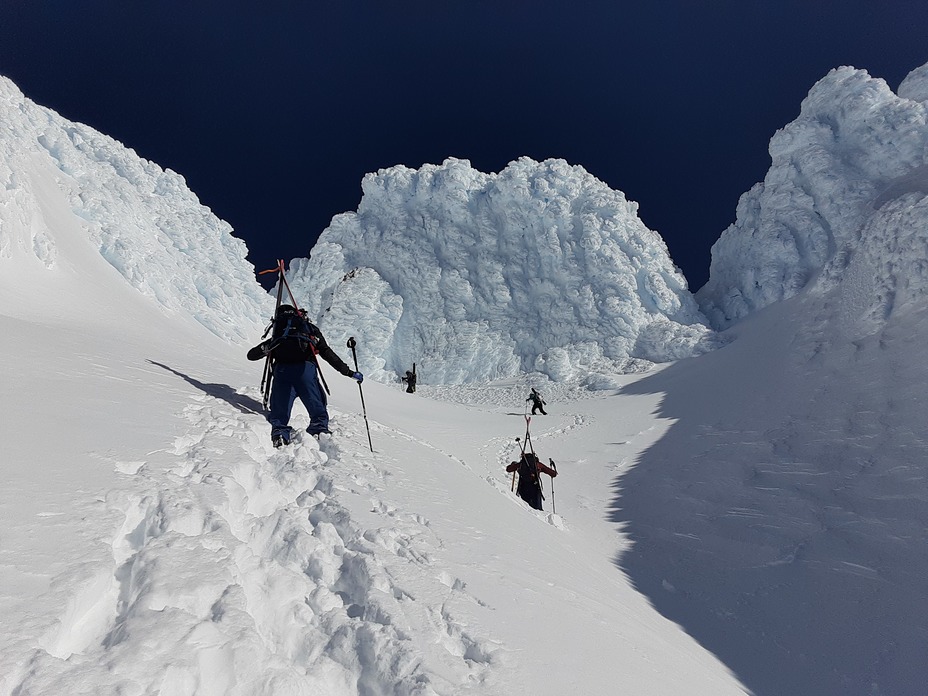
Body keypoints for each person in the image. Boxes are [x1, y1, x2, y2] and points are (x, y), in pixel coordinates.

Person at [247, 305, 362, 446]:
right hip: (305, 371)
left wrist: (270, 345)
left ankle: (280, 434)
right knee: (317, 406)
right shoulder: (309, 330)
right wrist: (348, 372)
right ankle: (319, 432)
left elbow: (251, 356)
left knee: (279, 411)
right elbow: (327, 353)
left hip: (282, 372)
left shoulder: (279, 334)